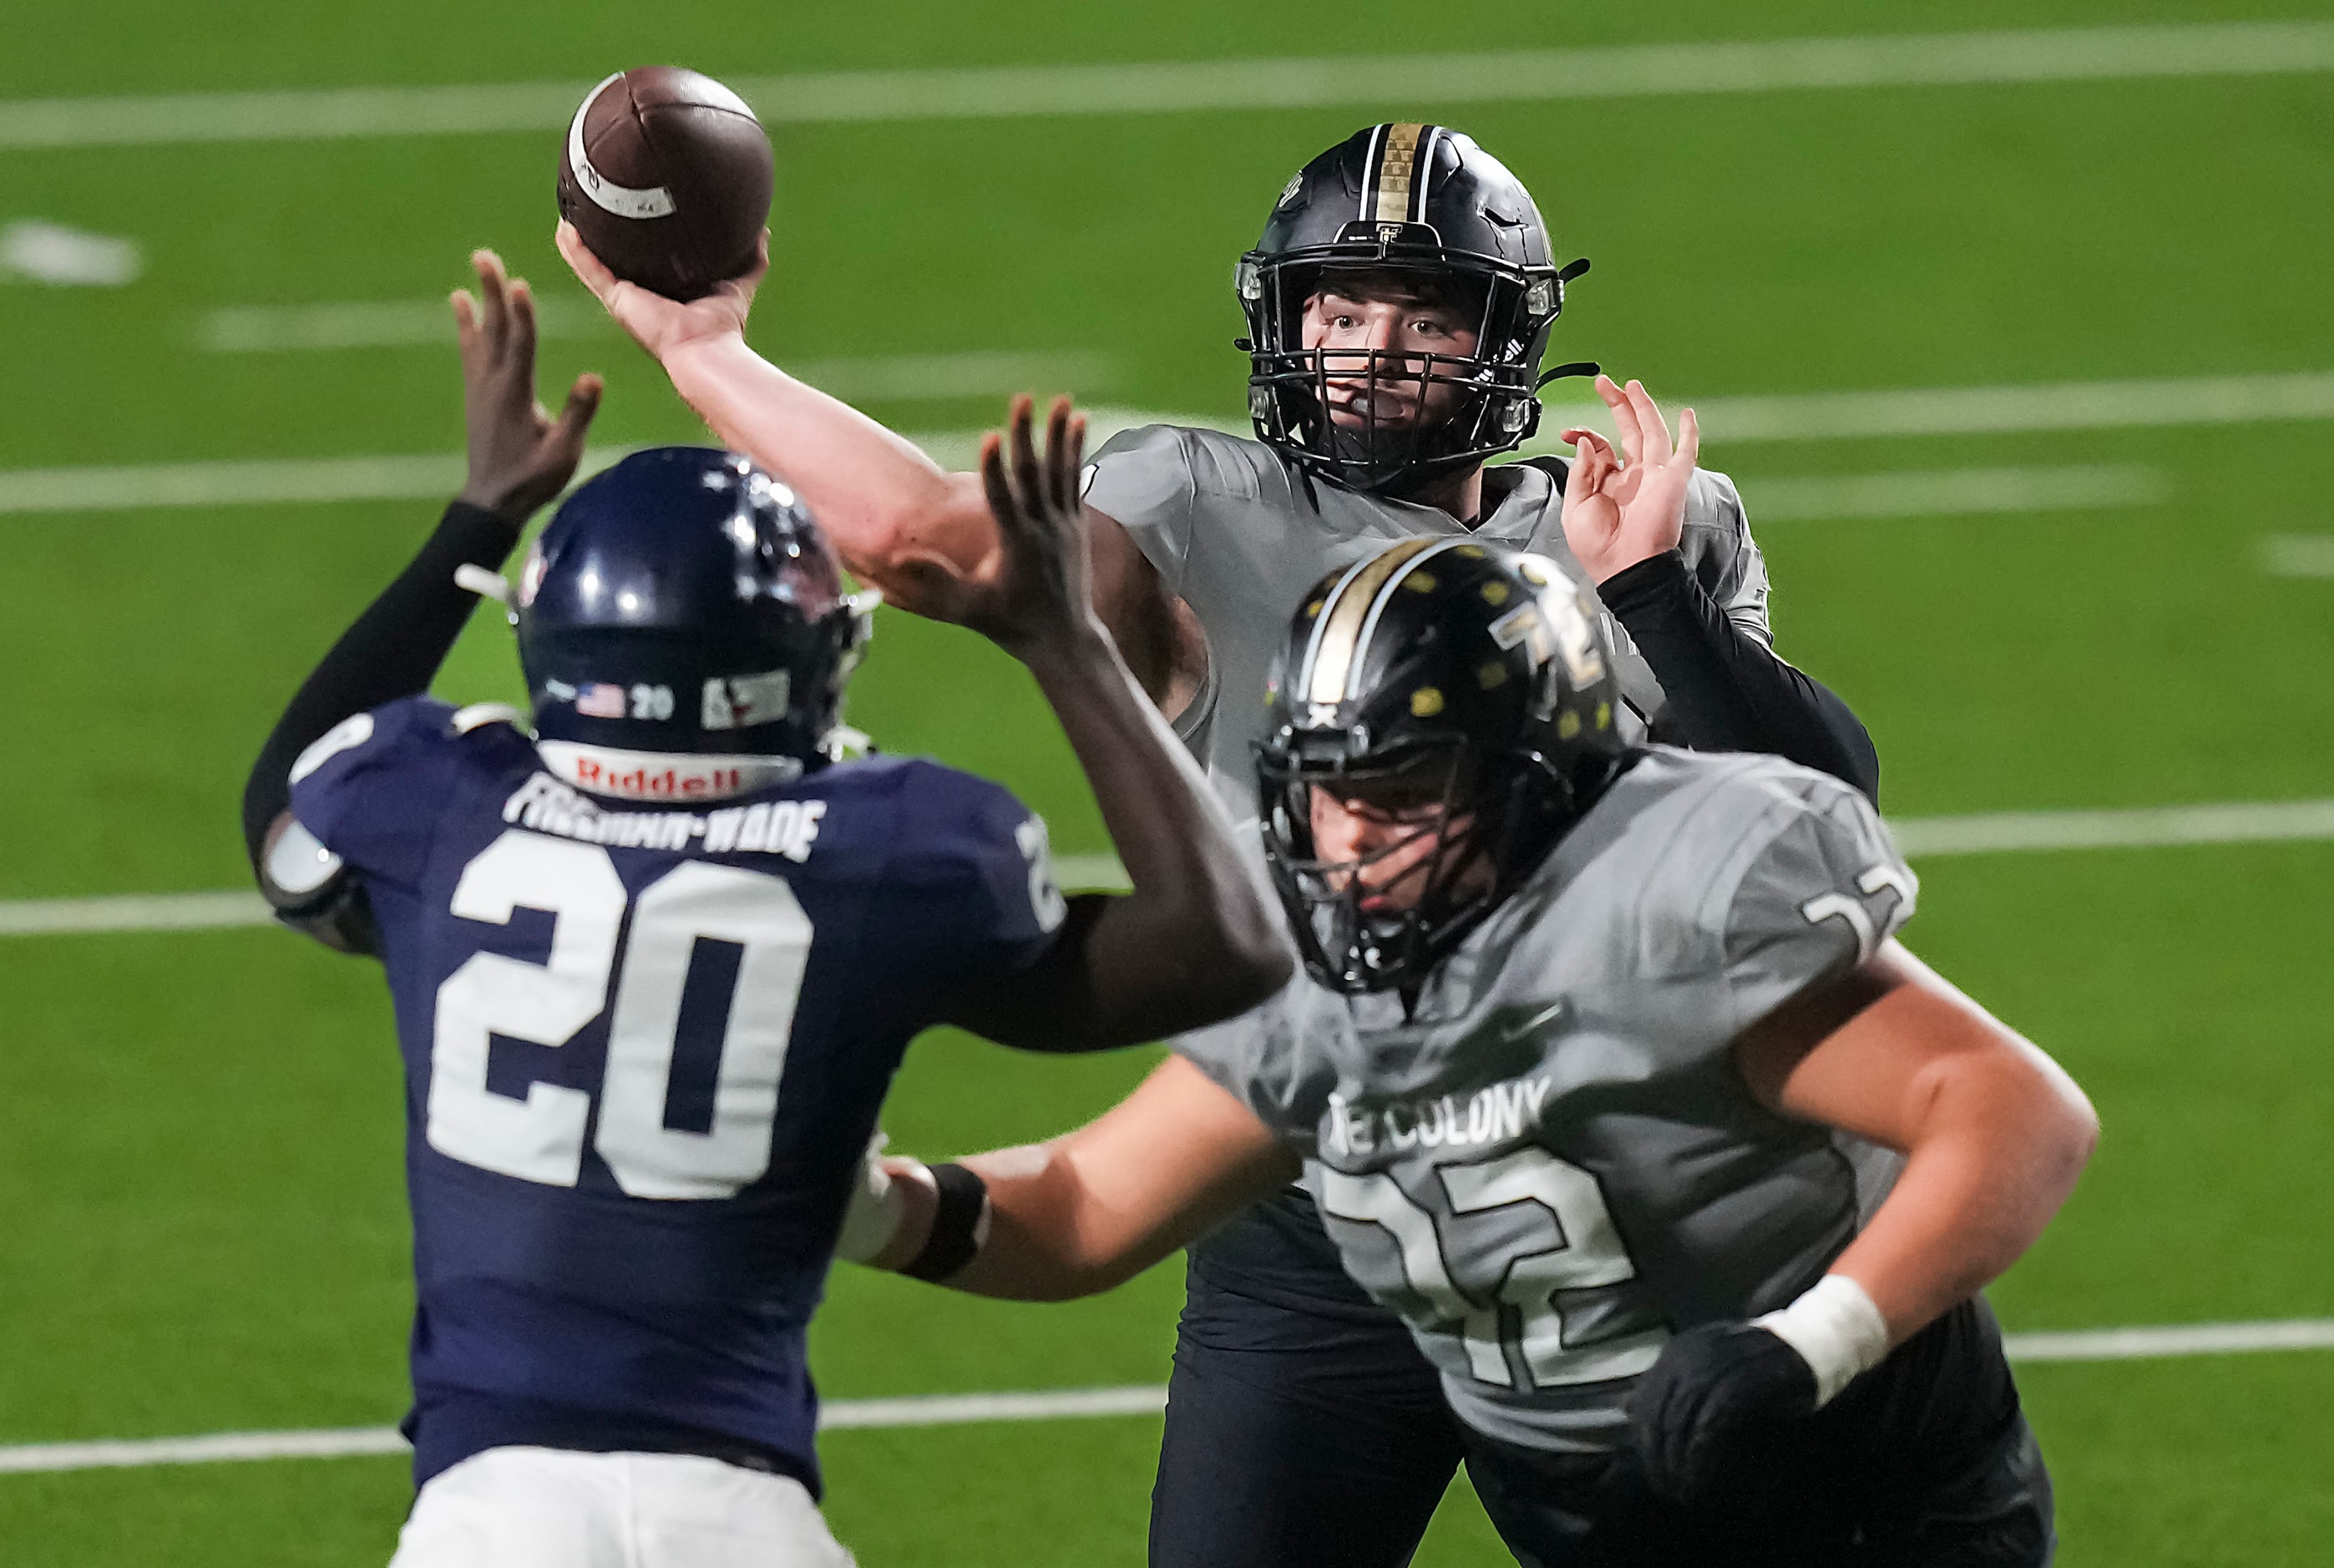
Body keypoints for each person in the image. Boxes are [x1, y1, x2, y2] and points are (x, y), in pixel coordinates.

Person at [562, 120, 1884, 1565]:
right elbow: (934, 540)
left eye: (1426, 312)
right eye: (1340, 307)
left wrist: (1645, 594)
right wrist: (709, 358)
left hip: (1619, 1220)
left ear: (1504, 336)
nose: (1374, 347)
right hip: (1311, 1205)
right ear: (1281, 316)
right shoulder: (1195, 513)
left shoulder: (1642, 526)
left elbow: (1815, 814)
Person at [239, 250, 1289, 1566]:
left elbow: (282, 814)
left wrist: (481, 511)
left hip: (483, 1518)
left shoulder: (436, 803)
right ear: (807, 662)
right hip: (741, 1519)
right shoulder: (888, 848)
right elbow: (1225, 947)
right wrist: (1059, 638)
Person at [853, 539, 2098, 1567]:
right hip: (1598, 1500)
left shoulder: (1657, 899)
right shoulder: (1309, 955)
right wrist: (857, 1204)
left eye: (1399, 791)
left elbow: (2013, 1107)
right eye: (1323, 791)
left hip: (1855, 1478)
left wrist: (1809, 1340)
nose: (1348, 839)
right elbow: (1082, 1205)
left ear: (1531, 779)